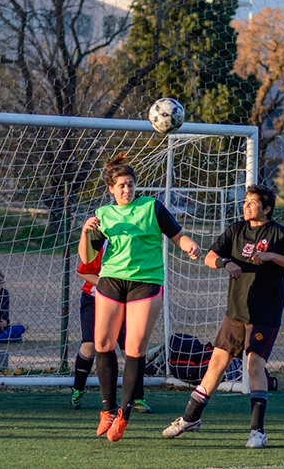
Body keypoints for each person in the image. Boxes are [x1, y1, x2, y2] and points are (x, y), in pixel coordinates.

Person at [162, 185, 284, 448]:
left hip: (264, 313)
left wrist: (273, 256)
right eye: (246, 201)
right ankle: (190, 418)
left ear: (267, 208)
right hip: (236, 311)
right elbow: (210, 256)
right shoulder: (236, 230)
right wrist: (225, 263)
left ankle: (257, 432)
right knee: (216, 362)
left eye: (253, 202)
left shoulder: (279, 233)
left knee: (253, 365)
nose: (247, 205)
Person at [79, 152, 201, 442]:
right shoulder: (103, 216)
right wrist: (85, 232)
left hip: (146, 282)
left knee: (134, 349)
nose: (127, 189)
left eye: (130, 184)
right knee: (103, 343)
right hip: (111, 280)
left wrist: (190, 245)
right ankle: (107, 410)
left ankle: (124, 414)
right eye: (121, 185)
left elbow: (177, 234)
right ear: (111, 189)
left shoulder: (151, 207)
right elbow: (87, 257)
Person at [70, 245, 152, 414]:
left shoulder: (135, 242)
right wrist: (110, 286)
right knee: (90, 345)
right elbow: (83, 271)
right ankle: (78, 389)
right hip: (94, 299)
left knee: (133, 347)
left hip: (126, 301)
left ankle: (137, 397)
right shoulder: (102, 242)